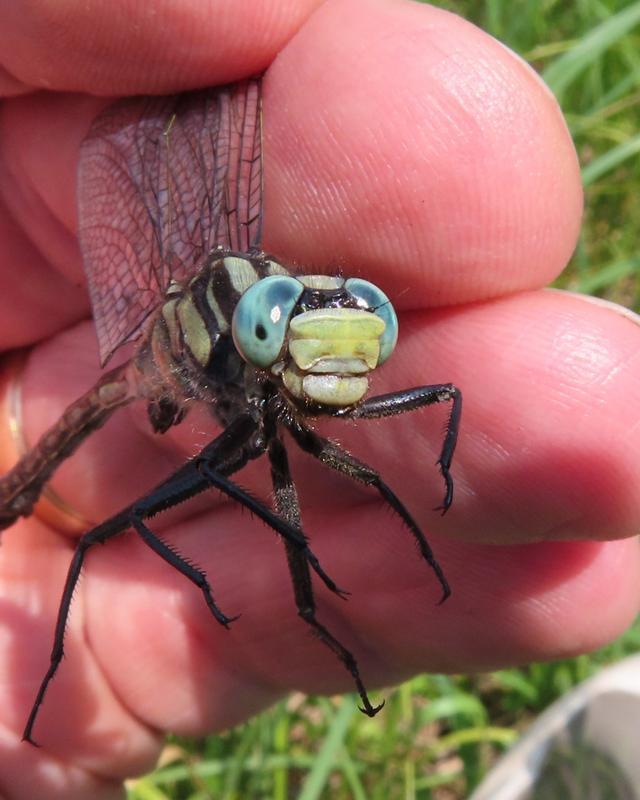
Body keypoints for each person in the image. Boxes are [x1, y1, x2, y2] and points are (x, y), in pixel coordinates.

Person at [0, 0, 638, 796]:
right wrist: (201, 579)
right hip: (158, 374)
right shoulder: (234, 360)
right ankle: (53, 652)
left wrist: (439, 479)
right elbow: (239, 480)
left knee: (357, 478)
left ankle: (331, 604)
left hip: (238, 384)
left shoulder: (285, 346)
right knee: (107, 541)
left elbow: (411, 422)